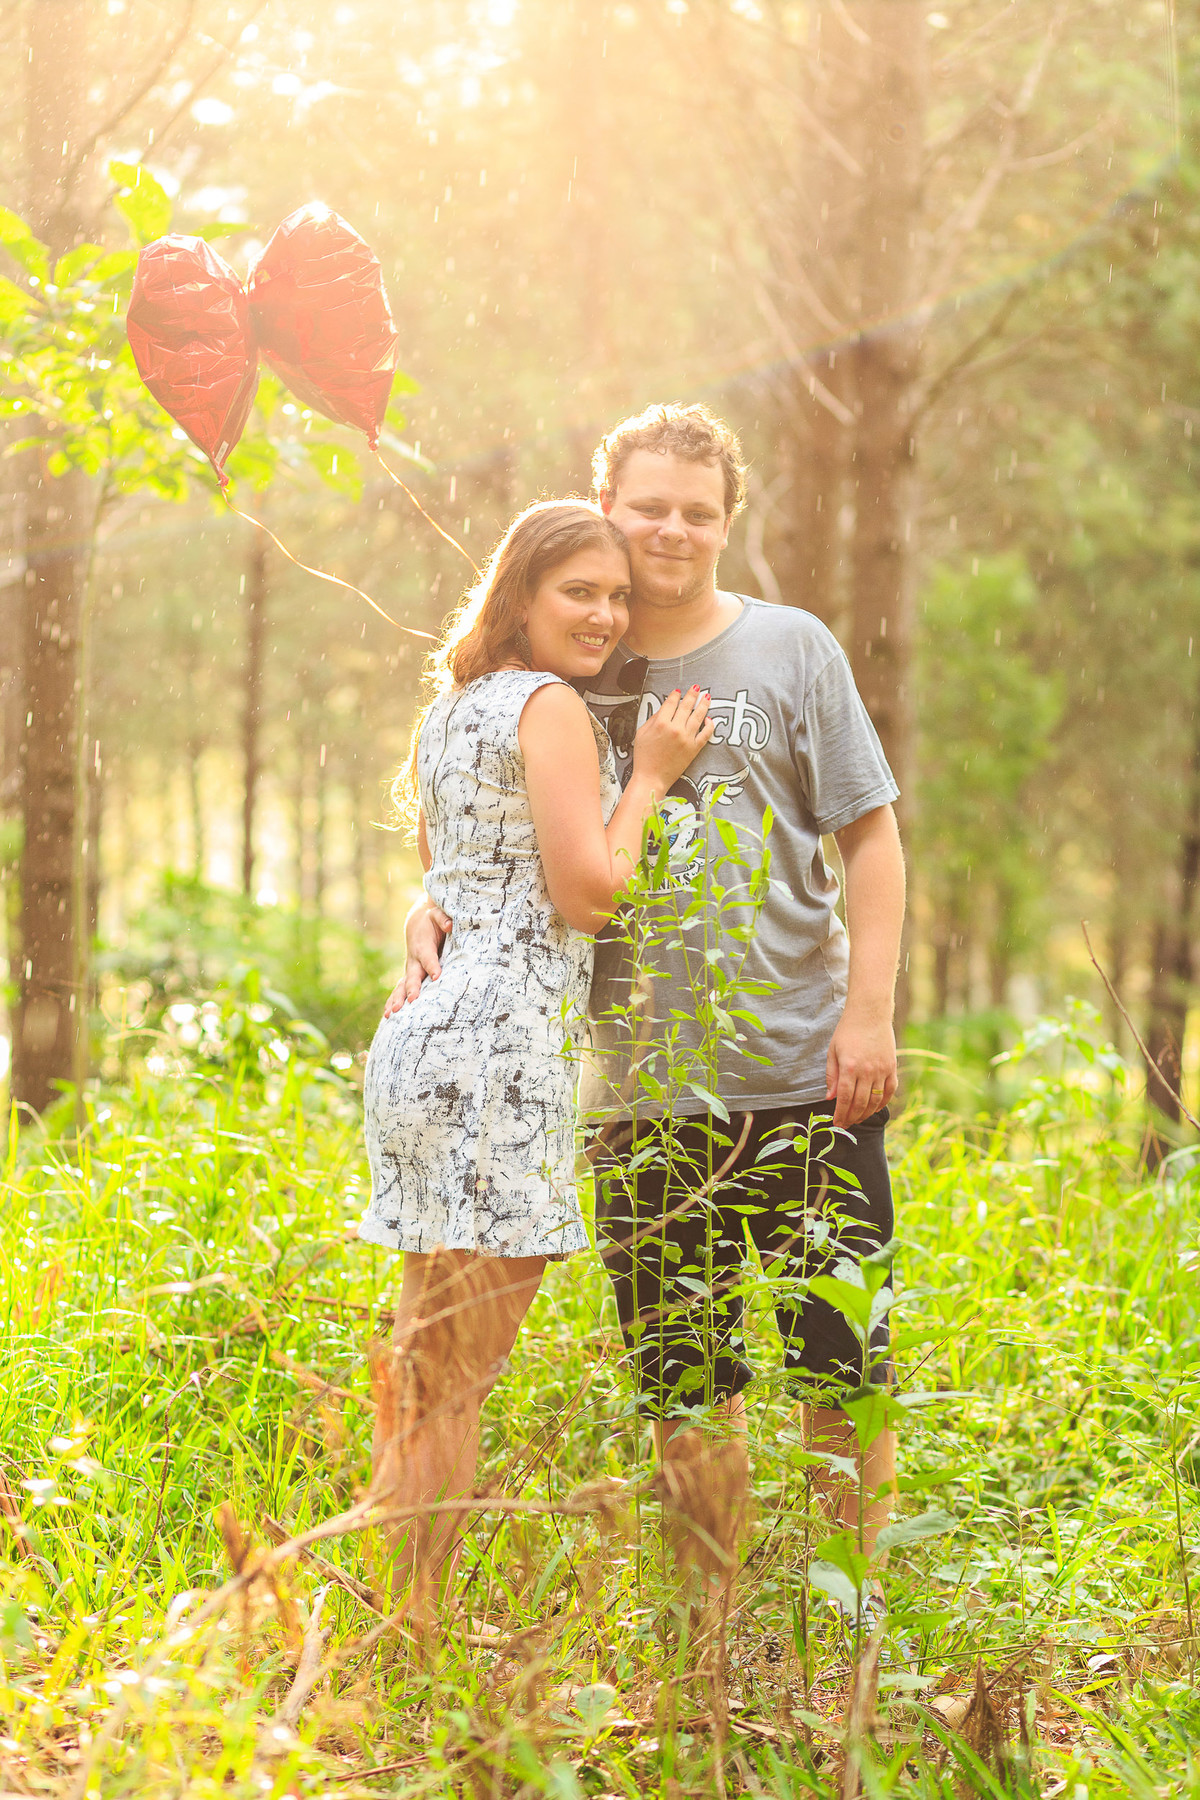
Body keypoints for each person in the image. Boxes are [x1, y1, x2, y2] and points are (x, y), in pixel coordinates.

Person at [402, 406, 907, 1621]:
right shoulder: (577, 658)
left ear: (728, 521)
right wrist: (421, 912)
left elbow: (872, 836)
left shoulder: (793, 650)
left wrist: (871, 1013)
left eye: (699, 510)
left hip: (804, 1072)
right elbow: (489, 831)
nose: (672, 532)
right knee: (688, 1387)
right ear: (606, 510)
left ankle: (848, 1635)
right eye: (649, 508)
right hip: (638, 1094)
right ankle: (711, 1648)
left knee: (842, 1374)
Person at [361, 498, 713, 1603]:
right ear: (519, 594)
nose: (607, 614)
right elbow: (587, 894)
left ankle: (384, 1613)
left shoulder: (455, 709)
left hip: (424, 1044)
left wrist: (424, 923)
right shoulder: (553, 708)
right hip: (497, 1058)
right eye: (581, 592)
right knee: (453, 1381)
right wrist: (648, 775)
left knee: (422, 1369)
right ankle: (407, 1628)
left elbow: (450, 882)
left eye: (617, 597)